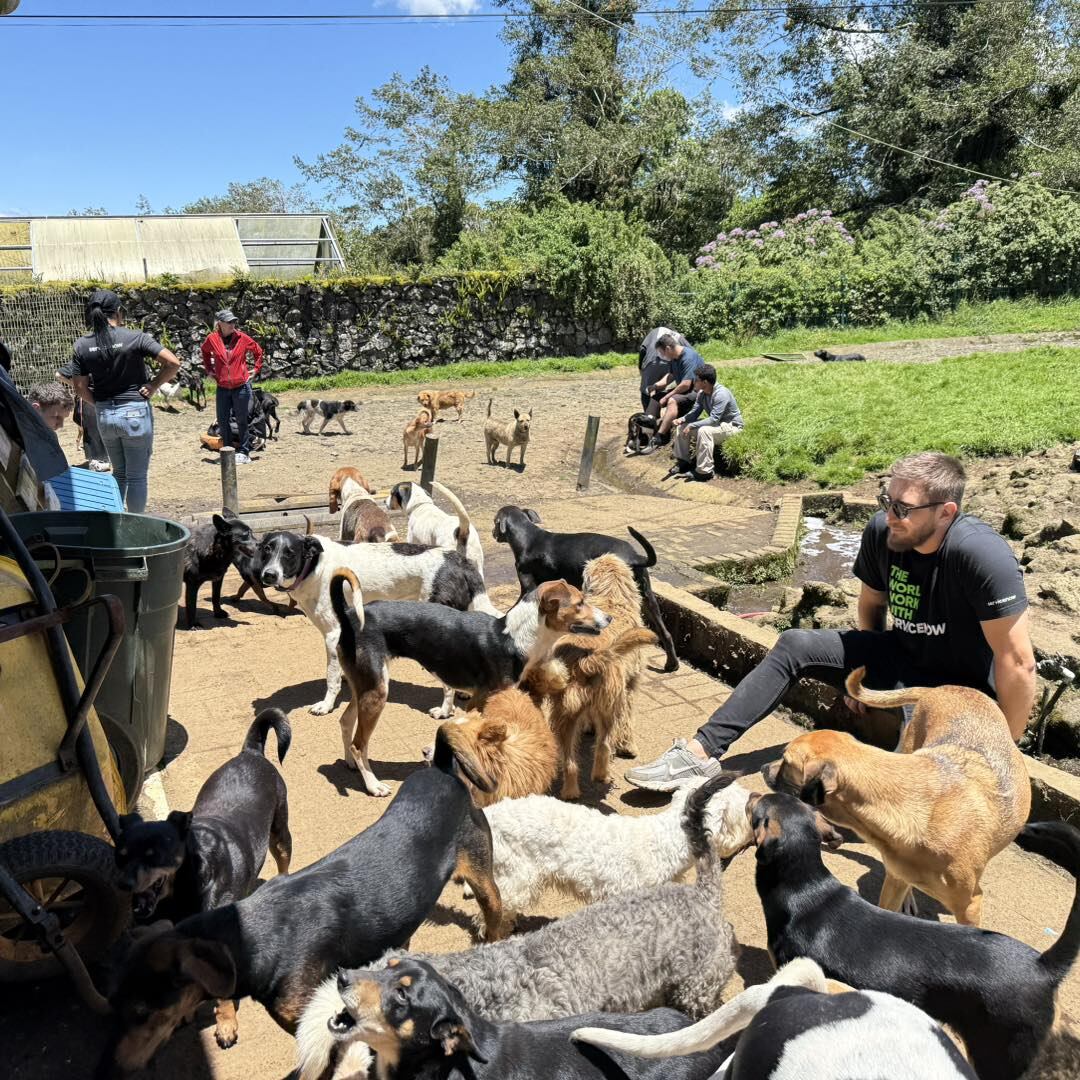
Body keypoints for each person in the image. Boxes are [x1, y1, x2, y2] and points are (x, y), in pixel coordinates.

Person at [626, 451, 1036, 791]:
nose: (888, 514)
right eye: (885, 499)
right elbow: (871, 605)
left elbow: (1018, 661)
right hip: (902, 657)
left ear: (946, 513)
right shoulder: (883, 532)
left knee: (895, 794)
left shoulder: (980, 554)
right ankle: (699, 754)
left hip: (957, 688)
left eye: (902, 508)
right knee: (795, 644)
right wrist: (862, 678)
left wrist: (1007, 750)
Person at [70, 289, 181, 513]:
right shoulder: (135, 337)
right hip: (135, 414)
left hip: (105, 416)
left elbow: (79, 387)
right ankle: (137, 525)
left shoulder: (81, 345)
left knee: (119, 473)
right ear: (119, 312)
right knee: (137, 476)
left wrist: (100, 405)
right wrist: (153, 385)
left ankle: (116, 524)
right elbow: (173, 363)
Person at [201, 309, 264, 465]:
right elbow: (204, 351)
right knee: (223, 421)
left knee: (242, 421)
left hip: (241, 387)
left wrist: (256, 369)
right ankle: (227, 451)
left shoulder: (242, 338)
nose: (232, 325)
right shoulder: (212, 339)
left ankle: (244, 452)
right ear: (220, 323)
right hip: (222, 387)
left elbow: (258, 351)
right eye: (229, 322)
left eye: (233, 321)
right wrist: (209, 370)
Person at [665, 364, 743, 482]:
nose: (694, 382)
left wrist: (693, 425)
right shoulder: (702, 393)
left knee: (704, 431)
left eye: (696, 380)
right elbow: (694, 413)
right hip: (717, 426)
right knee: (682, 427)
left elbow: (714, 419)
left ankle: (704, 472)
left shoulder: (721, 394)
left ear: (705, 382)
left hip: (732, 426)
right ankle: (683, 461)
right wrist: (682, 419)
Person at [639, 334, 707, 454]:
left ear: (668, 348)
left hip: (696, 392)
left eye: (662, 353)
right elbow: (671, 376)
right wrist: (656, 386)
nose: (662, 356)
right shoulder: (673, 359)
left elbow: (686, 384)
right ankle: (647, 432)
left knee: (672, 400)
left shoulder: (688, 357)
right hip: (684, 390)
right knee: (655, 398)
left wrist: (666, 396)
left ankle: (659, 438)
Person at [57, 362, 111, 471]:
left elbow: (59, 375)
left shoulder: (90, 359)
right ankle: (97, 460)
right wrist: (78, 388)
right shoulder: (83, 361)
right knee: (92, 429)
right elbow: (59, 375)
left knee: (100, 428)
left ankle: (103, 459)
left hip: (99, 398)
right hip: (90, 398)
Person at [637, 326, 688, 414]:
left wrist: (640, 367)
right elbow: (689, 350)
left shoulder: (654, 331)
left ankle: (650, 417)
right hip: (671, 361)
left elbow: (643, 350)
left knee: (646, 391)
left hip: (652, 361)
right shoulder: (677, 335)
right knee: (659, 390)